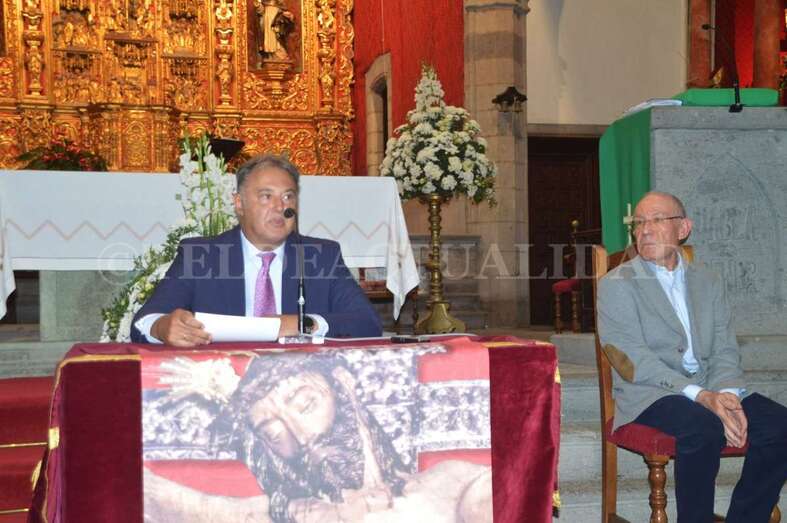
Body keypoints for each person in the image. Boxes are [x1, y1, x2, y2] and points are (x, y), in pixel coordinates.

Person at [597, 191, 787, 523]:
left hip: (710, 386)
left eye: (657, 220)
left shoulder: (709, 280)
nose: (645, 230)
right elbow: (633, 360)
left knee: (780, 425)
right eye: (638, 222)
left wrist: (727, 395)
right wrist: (702, 396)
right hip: (650, 393)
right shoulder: (617, 284)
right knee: (703, 427)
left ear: (683, 228)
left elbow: (724, 348)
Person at [142, 352, 492, 523]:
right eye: (274, 433)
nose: (302, 435)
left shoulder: (451, 484)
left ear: (343, 385)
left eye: (306, 404)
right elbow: (160, 499)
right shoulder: (285, 512)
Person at [131, 154, 383, 345]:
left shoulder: (321, 256)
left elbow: (367, 322)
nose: (280, 207)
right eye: (266, 196)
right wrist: (162, 328)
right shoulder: (200, 256)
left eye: (288, 196)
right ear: (239, 203)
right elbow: (143, 322)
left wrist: (301, 323)